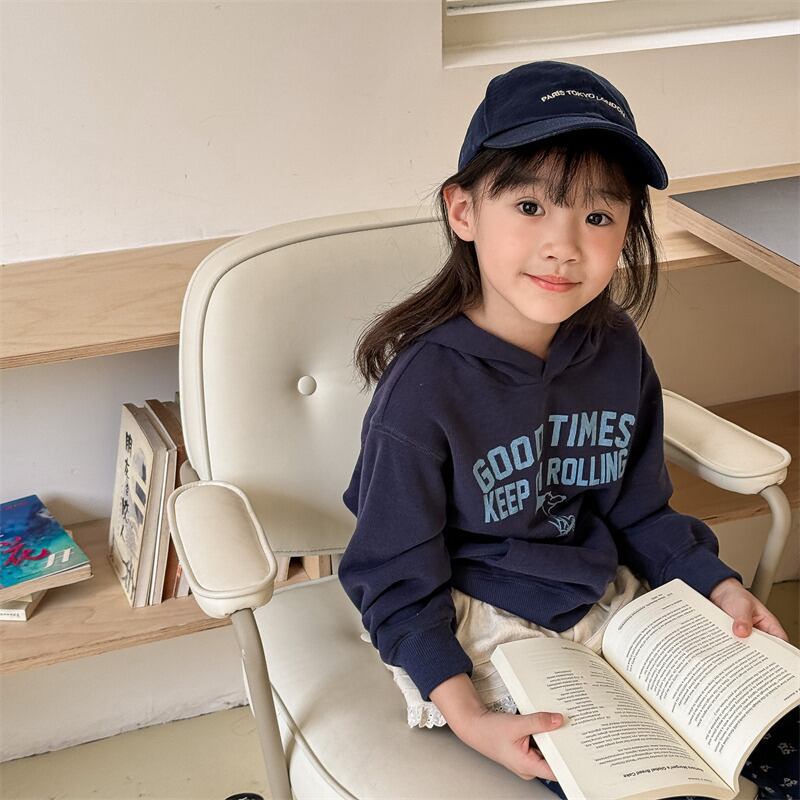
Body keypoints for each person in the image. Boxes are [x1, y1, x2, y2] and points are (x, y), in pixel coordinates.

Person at [337, 60, 799, 799]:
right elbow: (394, 577)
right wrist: (467, 718)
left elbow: (640, 512)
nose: (565, 245)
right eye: (529, 207)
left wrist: (717, 587)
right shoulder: (423, 390)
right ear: (463, 211)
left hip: (608, 597)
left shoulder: (613, 347)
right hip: (479, 617)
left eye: (598, 217)